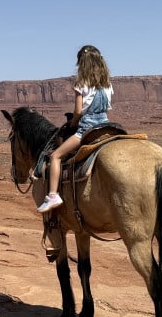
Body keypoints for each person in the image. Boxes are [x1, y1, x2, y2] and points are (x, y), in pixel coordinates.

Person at [37, 44, 113, 213]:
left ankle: (53, 195)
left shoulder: (81, 83)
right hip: (106, 126)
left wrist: (73, 124)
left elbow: (78, 112)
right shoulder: (107, 84)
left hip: (87, 128)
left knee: (56, 156)